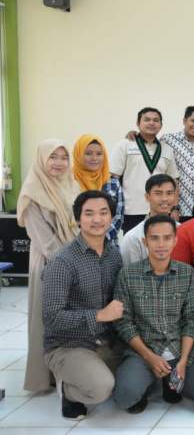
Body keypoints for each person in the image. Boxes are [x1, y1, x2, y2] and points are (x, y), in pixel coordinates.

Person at [112, 215, 194, 416]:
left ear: (175, 240)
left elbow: (191, 320)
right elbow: (124, 323)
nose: (161, 244)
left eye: (167, 238)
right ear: (144, 241)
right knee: (125, 398)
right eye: (154, 238)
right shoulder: (128, 275)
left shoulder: (187, 273)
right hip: (144, 353)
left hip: (178, 351)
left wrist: (182, 361)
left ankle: (170, 380)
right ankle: (149, 381)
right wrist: (150, 357)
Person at [42, 190, 124, 419]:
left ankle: (90, 372)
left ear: (111, 217)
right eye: (89, 214)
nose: (97, 219)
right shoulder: (63, 261)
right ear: (78, 219)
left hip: (106, 340)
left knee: (136, 378)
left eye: (103, 213)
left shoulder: (114, 256)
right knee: (101, 388)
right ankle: (67, 391)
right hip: (68, 344)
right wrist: (99, 315)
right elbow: (51, 318)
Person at [16, 139, 79, 393]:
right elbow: (45, 241)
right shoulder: (32, 192)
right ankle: (43, 376)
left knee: (69, 318)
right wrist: (73, 264)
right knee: (47, 318)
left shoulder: (70, 185)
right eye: (53, 157)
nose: (59, 163)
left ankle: (66, 371)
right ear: (42, 159)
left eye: (64, 157)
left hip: (74, 258)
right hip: (49, 262)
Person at [110, 107, 179, 233]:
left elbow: (174, 181)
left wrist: (174, 207)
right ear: (138, 123)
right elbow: (113, 178)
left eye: (156, 120)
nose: (151, 123)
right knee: (133, 246)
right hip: (131, 210)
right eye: (147, 120)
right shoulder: (124, 145)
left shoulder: (167, 149)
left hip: (160, 209)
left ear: (161, 125)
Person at [161, 106, 194, 220]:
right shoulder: (168, 140)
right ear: (184, 120)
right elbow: (151, 146)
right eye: (193, 121)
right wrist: (135, 134)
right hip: (177, 209)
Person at [72, 134, 125, 241]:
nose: (94, 158)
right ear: (78, 155)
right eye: (88, 153)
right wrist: (85, 241)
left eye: (99, 154)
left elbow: (118, 217)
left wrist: (101, 240)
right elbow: (69, 217)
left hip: (108, 247)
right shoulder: (69, 182)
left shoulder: (113, 182)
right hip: (76, 246)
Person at [120, 174, 179, 265]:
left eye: (169, 193)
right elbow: (130, 274)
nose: (164, 199)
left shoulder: (183, 231)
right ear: (147, 197)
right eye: (158, 193)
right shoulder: (133, 238)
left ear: (175, 197)